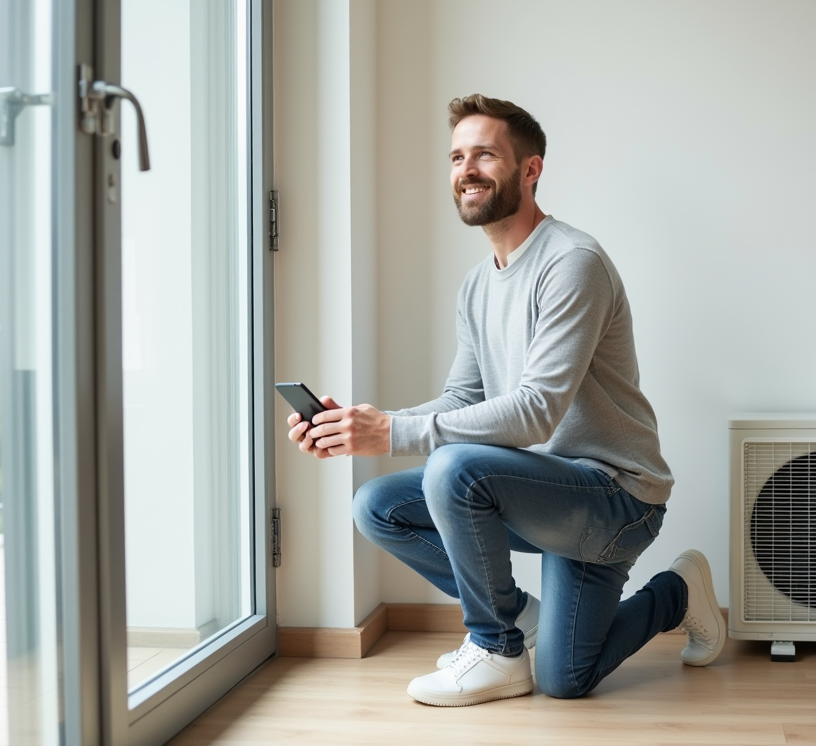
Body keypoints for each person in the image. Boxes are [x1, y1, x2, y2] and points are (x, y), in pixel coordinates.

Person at [286, 94, 725, 707]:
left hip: (614, 496)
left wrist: (390, 434)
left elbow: (534, 411)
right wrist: (358, 424)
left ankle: (506, 644)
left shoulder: (573, 263)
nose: (466, 169)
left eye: (485, 154)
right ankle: (519, 624)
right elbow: (463, 398)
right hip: (537, 489)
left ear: (530, 170)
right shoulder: (477, 284)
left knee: (457, 473)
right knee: (377, 506)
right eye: (457, 156)